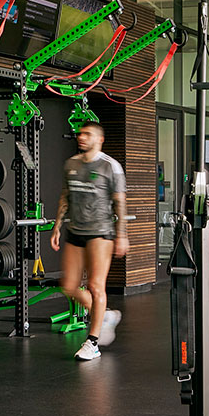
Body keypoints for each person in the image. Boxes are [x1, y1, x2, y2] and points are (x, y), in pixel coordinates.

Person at [50, 120, 129, 361]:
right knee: (70, 286)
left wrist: (122, 234)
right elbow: (65, 197)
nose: (81, 137)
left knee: (95, 286)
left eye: (87, 134)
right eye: (80, 134)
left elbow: (120, 202)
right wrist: (56, 227)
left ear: (99, 139)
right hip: (76, 230)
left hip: (101, 231)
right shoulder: (71, 164)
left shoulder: (110, 167)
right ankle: (104, 315)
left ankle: (92, 343)